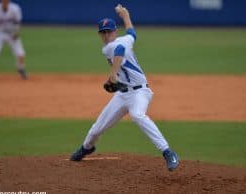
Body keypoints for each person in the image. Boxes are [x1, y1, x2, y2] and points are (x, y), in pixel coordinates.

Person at [70, 4, 179, 171]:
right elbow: (132, 33)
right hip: (122, 94)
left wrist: (112, 75)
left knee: (137, 115)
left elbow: (120, 50)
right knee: (97, 128)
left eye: (109, 31)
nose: (106, 35)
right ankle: (87, 147)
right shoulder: (120, 42)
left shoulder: (116, 45)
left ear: (115, 32)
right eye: (103, 32)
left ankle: (167, 152)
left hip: (140, 92)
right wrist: (125, 15)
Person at [0, 0, 27, 80]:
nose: (5, 2)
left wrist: (17, 32)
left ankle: (21, 69)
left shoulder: (15, 8)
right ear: (1, 1)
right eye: (4, 0)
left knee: (21, 54)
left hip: (11, 34)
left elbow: (18, 22)